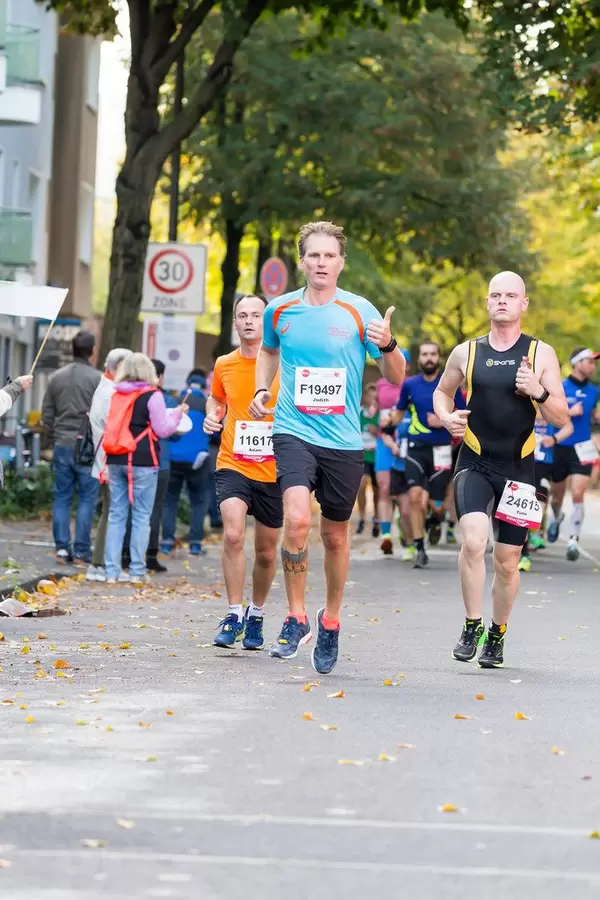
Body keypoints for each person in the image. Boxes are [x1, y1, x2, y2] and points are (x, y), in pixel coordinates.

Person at [250, 220, 405, 674]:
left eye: (329, 256)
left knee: (335, 536)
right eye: (313, 255)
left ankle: (330, 620)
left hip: (341, 439)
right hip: (293, 430)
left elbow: (395, 375)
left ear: (341, 262)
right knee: (296, 520)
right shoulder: (278, 310)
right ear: (302, 261)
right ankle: (296, 617)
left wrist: (389, 343)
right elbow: (267, 351)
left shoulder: (359, 311)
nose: (321, 262)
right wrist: (263, 390)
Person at [433, 271, 568, 668]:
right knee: (474, 542)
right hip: (474, 460)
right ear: (487, 302)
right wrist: (446, 417)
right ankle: (472, 623)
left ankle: (497, 632)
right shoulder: (466, 352)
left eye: (511, 295)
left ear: (524, 303)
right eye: (496, 295)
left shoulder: (541, 354)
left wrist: (537, 391)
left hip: (519, 468)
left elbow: (560, 418)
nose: (503, 301)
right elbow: (443, 392)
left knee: (508, 561)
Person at [204, 294, 282, 651]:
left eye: (256, 315)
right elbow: (217, 398)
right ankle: (234, 613)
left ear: (267, 322)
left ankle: (257, 613)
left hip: (275, 468)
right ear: (234, 323)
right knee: (233, 534)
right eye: (242, 315)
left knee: (266, 552)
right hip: (233, 461)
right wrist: (213, 415)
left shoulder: (285, 364)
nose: (249, 320)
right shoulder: (224, 364)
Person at [103, 353, 184, 585]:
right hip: (143, 461)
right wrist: (177, 415)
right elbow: (162, 429)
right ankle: (137, 571)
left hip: (116, 457)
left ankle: (112, 572)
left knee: (116, 515)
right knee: (141, 516)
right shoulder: (153, 395)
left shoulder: (116, 393)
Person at [394, 341, 466, 568]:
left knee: (437, 504)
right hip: (416, 448)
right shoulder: (410, 385)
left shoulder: (450, 385)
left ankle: (436, 519)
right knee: (416, 497)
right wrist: (385, 425)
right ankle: (419, 547)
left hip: (442, 449)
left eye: (433, 354)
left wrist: (445, 421)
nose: (429, 358)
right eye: (424, 354)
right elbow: (398, 413)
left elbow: (464, 414)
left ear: (439, 358)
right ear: (419, 359)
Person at [42, 331, 102, 565]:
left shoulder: (56, 377)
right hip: (87, 446)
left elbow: (47, 414)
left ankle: (61, 549)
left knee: (62, 497)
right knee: (87, 498)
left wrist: (54, 434)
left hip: (62, 444)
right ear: (92, 351)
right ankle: (81, 550)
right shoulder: (97, 379)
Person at [546, 348, 600, 561]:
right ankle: (557, 516)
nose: (593, 367)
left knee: (578, 493)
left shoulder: (594, 391)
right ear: (576, 363)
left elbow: (593, 414)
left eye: (594, 363)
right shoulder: (558, 388)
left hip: (583, 447)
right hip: (560, 446)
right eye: (589, 362)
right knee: (557, 494)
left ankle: (573, 540)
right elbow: (546, 414)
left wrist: (595, 417)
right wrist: (569, 411)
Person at [122, 359, 174, 574]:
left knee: (123, 509)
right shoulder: (161, 397)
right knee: (152, 511)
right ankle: (148, 555)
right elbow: (168, 431)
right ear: (159, 376)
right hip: (156, 461)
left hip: (125, 457)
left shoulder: (126, 395)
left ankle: (124, 554)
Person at [86, 347, 132, 583]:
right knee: (113, 512)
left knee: (110, 512)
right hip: (108, 461)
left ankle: (100, 563)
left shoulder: (105, 389)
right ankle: (101, 563)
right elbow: (110, 431)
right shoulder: (110, 393)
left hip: (104, 460)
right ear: (117, 368)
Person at [161, 369, 211, 556]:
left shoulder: (174, 402)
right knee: (198, 501)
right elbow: (215, 434)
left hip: (173, 459)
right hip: (197, 460)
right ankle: (195, 543)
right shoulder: (208, 405)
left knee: (169, 501)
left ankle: (166, 542)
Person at [518, 412, 573, 572]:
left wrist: (554, 439)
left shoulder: (548, 401)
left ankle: (528, 543)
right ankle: (524, 553)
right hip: (519, 463)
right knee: (520, 510)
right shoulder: (520, 398)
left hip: (542, 464)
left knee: (536, 510)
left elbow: (569, 427)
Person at [380, 407, 414, 560]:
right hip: (399, 467)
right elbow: (385, 434)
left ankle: (415, 537)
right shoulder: (396, 413)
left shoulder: (420, 411)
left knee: (414, 507)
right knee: (404, 510)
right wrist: (393, 446)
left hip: (417, 465)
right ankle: (410, 543)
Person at [374, 375, 402, 554]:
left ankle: (406, 527)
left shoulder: (409, 384)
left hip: (404, 438)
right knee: (384, 488)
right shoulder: (380, 383)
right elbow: (377, 408)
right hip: (382, 440)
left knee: (402, 492)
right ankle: (386, 536)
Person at [356, 383, 379, 536]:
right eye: (369, 396)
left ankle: (376, 517)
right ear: (364, 397)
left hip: (377, 456)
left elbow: (388, 435)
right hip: (362, 455)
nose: (372, 400)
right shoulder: (358, 413)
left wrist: (376, 431)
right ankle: (362, 517)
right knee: (362, 485)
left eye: (375, 397)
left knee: (378, 489)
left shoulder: (382, 415)